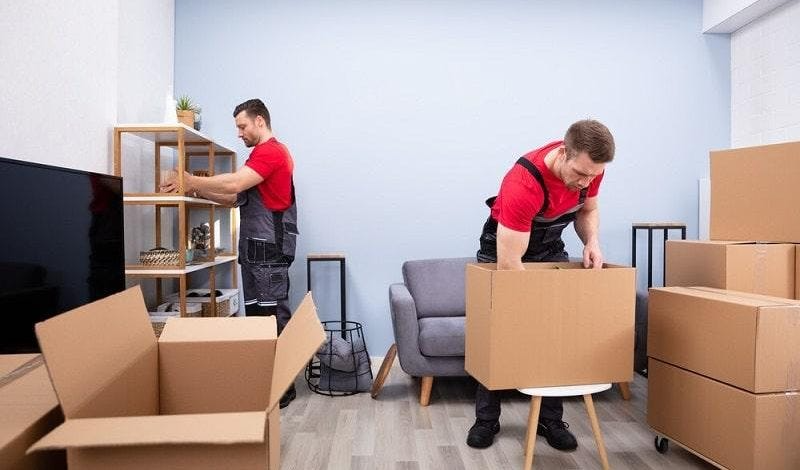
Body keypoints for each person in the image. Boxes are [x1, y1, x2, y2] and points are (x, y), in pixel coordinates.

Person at [467, 119, 615, 450]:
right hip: (504, 248)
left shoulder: (590, 166)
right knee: (499, 329)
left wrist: (592, 241)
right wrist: (531, 309)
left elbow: (588, 209)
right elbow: (510, 263)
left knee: (555, 329)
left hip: (549, 245)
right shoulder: (524, 183)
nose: (585, 182)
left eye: (592, 176)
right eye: (580, 174)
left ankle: (550, 420)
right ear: (563, 153)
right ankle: (486, 420)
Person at [161, 98, 299, 408]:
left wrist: (191, 179)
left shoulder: (272, 152)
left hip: (269, 251)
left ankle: (283, 388)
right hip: (253, 251)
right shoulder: (258, 158)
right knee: (256, 319)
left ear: (260, 121)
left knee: (271, 317)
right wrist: (194, 189)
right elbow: (233, 196)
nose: (239, 132)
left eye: (242, 126)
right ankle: (267, 384)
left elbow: (235, 182)